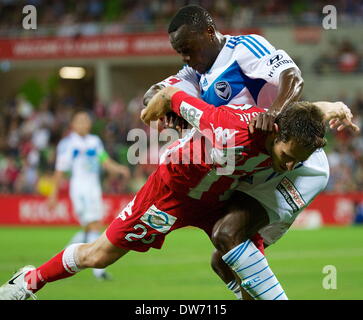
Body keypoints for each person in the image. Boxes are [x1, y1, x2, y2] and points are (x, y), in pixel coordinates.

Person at [0, 86, 354, 300]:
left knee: (248, 262)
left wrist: (334, 107)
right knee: (99, 256)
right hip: (170, 194)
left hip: (220, 200)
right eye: (287, 157)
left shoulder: (288, 130)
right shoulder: (228, 128)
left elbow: (302, 114)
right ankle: (30, 281)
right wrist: (152, 110)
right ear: (276, 136)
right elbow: (174, 97)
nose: (288, 167)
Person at [143, 5, 359, 299]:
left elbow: (293, 77)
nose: (185, 57)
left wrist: (273, 113)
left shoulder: (243, 47)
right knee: (223, 261)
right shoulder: (195, 73)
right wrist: (165, 106)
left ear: (208, 33)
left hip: (296, 167)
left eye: (188, 48)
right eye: (180, 51)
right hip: (262, 171)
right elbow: (154, 95)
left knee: (227, 235)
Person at [47, 110, 130, 280]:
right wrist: (53, 193)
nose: (84, 123)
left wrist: (119, 169)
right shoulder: (68, 144)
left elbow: (104, 161)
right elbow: (60, 170)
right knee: (94, 225)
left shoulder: (95, 141)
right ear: (73, 125)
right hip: (80, 187)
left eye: (86, 120)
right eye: (80, 121)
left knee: (89, 227)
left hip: (94, 186)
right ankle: (98, 272)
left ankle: (62, 260)